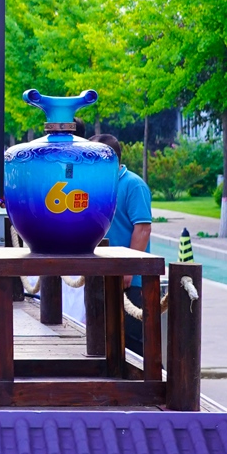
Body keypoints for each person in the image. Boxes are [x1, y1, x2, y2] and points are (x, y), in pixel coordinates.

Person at [92, 133, 153, 353]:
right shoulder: (96, 185)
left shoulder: (133, 185)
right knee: (103, 338)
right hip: (101, 273)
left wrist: (129, 268)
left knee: (132, 342)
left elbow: (143, 229)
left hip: (130, 281)